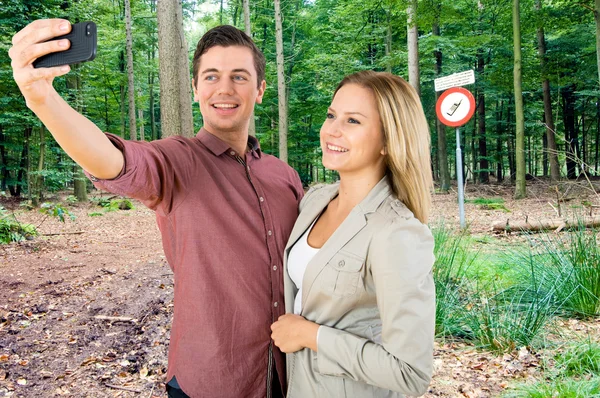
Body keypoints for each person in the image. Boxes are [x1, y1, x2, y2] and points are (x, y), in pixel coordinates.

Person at [9, 20, 303, 398]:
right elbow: (113, 161)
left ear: (260, 90)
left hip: (291, 375)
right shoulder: (176, 162)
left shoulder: (285, 176)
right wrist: (41, 99)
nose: (225, 89)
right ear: (195, 88)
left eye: (239, 77)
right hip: (210, 379)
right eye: (211, 76)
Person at [270, 70, 436, 397]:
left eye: (353, 121)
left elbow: (411, 373)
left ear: (389, 140)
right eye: (332, 115)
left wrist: (310, 336)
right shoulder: (315, 201)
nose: (332, 129)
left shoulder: (397, 232)